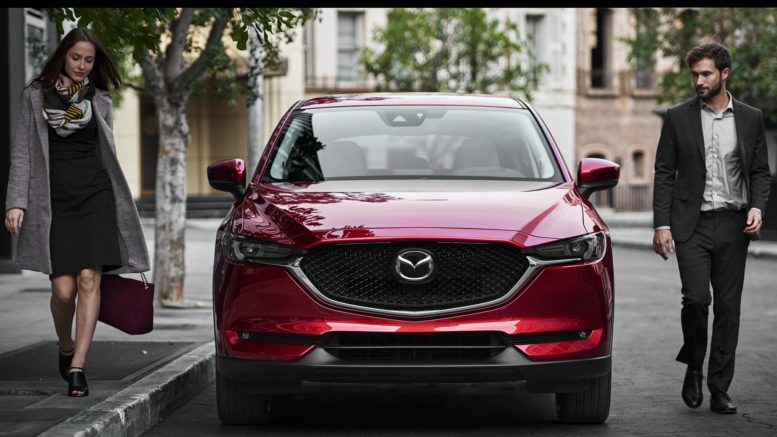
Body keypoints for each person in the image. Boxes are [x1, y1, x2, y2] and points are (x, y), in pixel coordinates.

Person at [4, 28, 149, 397]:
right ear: (63, 56)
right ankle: (65, 345)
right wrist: (16, 200)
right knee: (63, 291)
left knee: (89, 279)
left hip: (96, 195)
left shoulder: (99, 98)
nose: (83, 66)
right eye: (76, 58)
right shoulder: (36, 96)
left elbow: (108, 153)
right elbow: (22, 150)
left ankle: (78, 366)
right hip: (54, 200)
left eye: (89, 60)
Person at [652, 42, 771, 414]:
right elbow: (664, 173)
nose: (699, 81)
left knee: (729, 309)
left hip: (735, 225)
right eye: (695, 75)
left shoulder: (751, 118)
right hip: (692, 225)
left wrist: (757, 207)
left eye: (706, 74)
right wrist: (661, 224)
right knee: (697, 299)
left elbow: (760, 172)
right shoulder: (678, 117)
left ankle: (720, 387)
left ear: (724, 74)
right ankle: (693, 366)